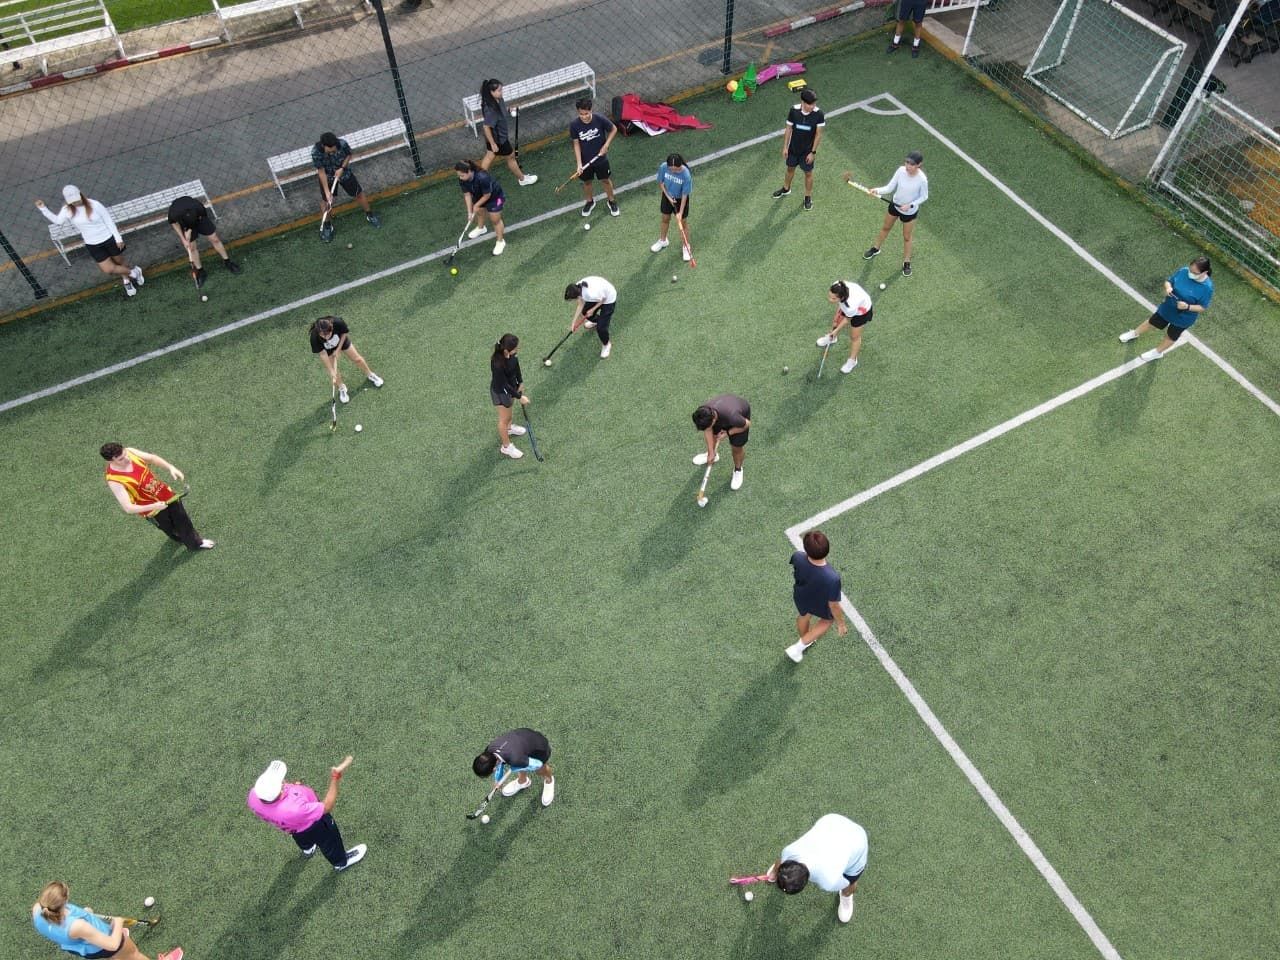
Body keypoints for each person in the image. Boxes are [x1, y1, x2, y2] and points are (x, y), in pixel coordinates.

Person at [246, 756, 366, 872]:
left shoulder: (253, 796)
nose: (284, 781)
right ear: (280, 791)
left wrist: (293, 788)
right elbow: (327, 806)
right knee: (330, 842)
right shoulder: (294, 809)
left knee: (301, 837)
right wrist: (335, 777)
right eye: (282, 783)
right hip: (315, 825)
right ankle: (340, 863)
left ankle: (308, 849)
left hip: (294, 827)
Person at [100, 443, 213, 551]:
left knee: (182, 519)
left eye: (125, 454)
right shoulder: (114, 480)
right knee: (169, 529)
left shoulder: (130, 452)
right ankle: (178, 536)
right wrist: (155, 506)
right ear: (110, 461)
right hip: (152, 510)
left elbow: (152, 458)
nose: (126, 459)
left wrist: (171, 468)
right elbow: (128, 508)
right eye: (120, 459)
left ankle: (196, 543)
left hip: (165, 494)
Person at [32, 880, 183, 960]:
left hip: (82, 948)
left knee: (115, 956)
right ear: (63, 902)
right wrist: (117, 925)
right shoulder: (77, 926)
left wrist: (86, 914)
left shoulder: (39, 909)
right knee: (133, 955)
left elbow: (67, 926)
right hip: (103, 945)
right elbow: (112, 944)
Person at [36, 187, 143, 297]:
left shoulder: (95, 204)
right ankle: (134, 273)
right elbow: (58, 221)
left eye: (77, 199)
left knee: (120, 262)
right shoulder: (67, 210)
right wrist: (43, 208)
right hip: (92, 244)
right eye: (72, 201)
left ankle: (126, 280)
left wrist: (118, 238)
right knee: (108, 269)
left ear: (80, 194)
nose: (76, 202)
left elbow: (108, 221)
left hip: (108, 238)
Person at [761, 814, 868, 923]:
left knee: (850, 881)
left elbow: (847, 882)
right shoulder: (789, 851)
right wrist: (775, 872)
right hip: (832, 821)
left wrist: (849, 884)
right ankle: (776, 873)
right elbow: (782, 861)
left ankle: (846, 896)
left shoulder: (829, 881)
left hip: (857, 843)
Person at [1118, 255, 1213, 361]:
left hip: (1183, 317)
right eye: (1190, 270)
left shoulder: (1207, 288)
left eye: (1195, 273)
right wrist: (1168, 287)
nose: (1190, 274)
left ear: (1204, 272)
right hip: (1168, 307)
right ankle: (1134, 333)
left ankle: (1157, 352)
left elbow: (1202, 307)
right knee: (1152, 322)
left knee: (1171, 335)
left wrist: (1188, 306)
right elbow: (1169, 281)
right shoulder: (1184, 271)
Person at [785, 530, 848, 662]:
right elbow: (834, 605)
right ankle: (799, 647)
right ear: (827, 549)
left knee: (804, 615)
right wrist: (841, 624)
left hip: (801, 595)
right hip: (819, 601)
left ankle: (805, 640)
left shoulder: (797, 556)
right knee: (827, 620)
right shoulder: (832, 578)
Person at [863, 151, 928, 278]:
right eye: (907, 162)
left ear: (919, 165)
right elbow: (889, 188)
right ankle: (876, 248)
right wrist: (876, 190)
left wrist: (910, 205)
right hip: (895, 205)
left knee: (907, 237)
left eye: (912, 164)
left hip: (909, 212)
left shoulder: (922, 179)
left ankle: (907, 262)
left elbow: (924, 196)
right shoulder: (900, 171)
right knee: (885, 228)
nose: (908, 166)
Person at [311, 131, 381, 235]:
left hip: (344, 173)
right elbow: (321, 172)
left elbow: (348, 155)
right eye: (329, 151)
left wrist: (342, 168)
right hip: (328, 177)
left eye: (334, 151)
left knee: (359, 194)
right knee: (327, 203)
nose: (331, 153)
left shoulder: (342, 144)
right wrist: (327, 192)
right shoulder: (316, 152)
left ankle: (370, 214)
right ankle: (327, 225)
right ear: (323, 145)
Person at [167, 195, 240, 289]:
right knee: (191, 248)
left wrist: (189, 230)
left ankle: (227, 262)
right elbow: (173, 224)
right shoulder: (174, 213)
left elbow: (202, 217)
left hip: (200, 220)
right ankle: (200, 271)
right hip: (186, 227)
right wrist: (183, 239)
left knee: (215, 239)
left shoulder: (198, 207)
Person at [309, 316, 384, 404]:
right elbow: (322, 354)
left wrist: (338, 349)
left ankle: (370, 374)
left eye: (328, 334)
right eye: (322, 335)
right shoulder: (314, 337)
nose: (326, 338)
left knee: (358, 359)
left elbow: (344, 333)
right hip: (327, 350)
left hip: (341, 341)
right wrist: (331, 371)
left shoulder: (337, 322)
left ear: (332, 328)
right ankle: (341, 388)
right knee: (334, 372)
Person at [473, 728, 556, 807]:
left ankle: (549, 781)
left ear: (494, 769)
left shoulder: (515, 759)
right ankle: (523, 781)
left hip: (539, 747)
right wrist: (498, 780)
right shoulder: (489, 751)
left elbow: (537, 764)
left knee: (540, 770)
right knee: (519, 762)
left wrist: (515, 768)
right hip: (521, 740)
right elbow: (499, 762)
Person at [772, 88, 825, 210]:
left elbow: (819, 135)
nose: (812, 106)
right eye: (809, 104)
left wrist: (813, 152)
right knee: (790, 168)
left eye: (814, 104)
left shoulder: (818, 114)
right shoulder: (794, 111)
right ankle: (786, 188)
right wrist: (785, 147)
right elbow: (789, 129)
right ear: (802, 102)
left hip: (807, 152)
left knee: (808, 173)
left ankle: (807, 197)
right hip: (793, 149)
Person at [478, 79, 537, 186]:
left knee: (489, 156)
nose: (502, 92)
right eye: (499, 90)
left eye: (501, 89)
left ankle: (478, 181)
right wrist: (493, 143)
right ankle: (522, 179)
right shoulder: (491, 110)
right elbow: (486, 127)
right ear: (491, 92)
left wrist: (510, 110)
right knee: (510, 157)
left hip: (495, 137)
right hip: (498, 139)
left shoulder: (498, 100)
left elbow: (503, 110)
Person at [569, 97, 620, 218]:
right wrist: (579, 164)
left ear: (591, 110)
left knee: (605, 180)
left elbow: (614, 129)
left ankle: (611, 201)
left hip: (601, 159)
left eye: (586, 113)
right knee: (587, 182)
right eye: (581, 114)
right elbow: (576, 144)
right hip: (585, 161)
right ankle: (590, 201)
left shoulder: (599, 119)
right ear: (578, 112)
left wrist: (606, 145)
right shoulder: (574, 125)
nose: (584, 116)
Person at [691, 394, 750, 491]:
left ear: (713, 419)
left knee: (736, 447)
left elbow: (746, 425)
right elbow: (708, 430)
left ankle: (738, 470)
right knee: (713, 434)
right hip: (724, 413)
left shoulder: (734, 417)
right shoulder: (703, 413)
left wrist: (727, 433)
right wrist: (710, 452)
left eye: (708, 426)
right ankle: (714, 455)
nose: (707, 429)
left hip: (740, 418)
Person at [815, 280, 873, 374]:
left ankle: (852, 361)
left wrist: (836, 330)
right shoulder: (837, 285)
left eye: (833, 299)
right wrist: (836, 319)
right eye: (829, 296)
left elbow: (846, 319)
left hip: (862, 311)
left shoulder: (850, 305)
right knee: (836, 321)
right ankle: (832, 338)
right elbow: (841, 306)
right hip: (848, 304)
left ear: (841, 297)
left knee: (855, 336)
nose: (830, 300)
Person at [490, 333, 530, 459]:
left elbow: (516, 367)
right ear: (506, 350)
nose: (517, 350)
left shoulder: (512, 355)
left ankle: (509, 428)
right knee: (504, 419)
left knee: (509, 415)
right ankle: (506, 447)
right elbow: (504, 385)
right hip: (502, 392)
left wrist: (520, 382)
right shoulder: (497, 364)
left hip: (511, 389)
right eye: (515, 348)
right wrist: (520, 397)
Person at [456, 160, 508, 256]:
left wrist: (476, 205)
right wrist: (469, 212)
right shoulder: (462, 179)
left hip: (496, 197)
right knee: (479, 212)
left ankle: (500, 242)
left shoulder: (482, 177)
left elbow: (487, 195)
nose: (460, 178)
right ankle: (481, 228)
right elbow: (467, 195)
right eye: (459, 175)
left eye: (462, 175)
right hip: (479, 195)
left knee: (495, 219)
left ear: (469, 171)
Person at [564, 276, 618, 358]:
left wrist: (592, 310)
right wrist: (573, 323)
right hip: (599, 295)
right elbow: (580, 304)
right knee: (585, 312)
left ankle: (607, 345)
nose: (573, 300)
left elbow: (603, 299)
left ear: (577, 296)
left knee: (601, 328)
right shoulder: (578, 286)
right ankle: (596, 321)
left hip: (609, 298)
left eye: (572, 299)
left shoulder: (589, 294)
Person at [652, 153, 693, 261]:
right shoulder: (664, 167)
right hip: (667, 196)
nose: (674, 171)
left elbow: (685, 195)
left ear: (680, 165)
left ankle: (686, 246)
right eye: (672, 169)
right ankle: (663, 240)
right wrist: (668, 197)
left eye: (677, 169)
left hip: (680, 200)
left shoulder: (686, 175)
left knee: (682, 223)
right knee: (665, 218)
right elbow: (661, 183)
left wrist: (680, 212)